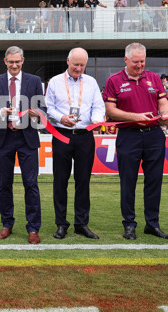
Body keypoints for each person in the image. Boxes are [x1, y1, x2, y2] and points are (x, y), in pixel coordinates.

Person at [103, 42, 168, 241]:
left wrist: (166, 114)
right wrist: (136, 117)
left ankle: (152, 224)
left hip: (154, 136)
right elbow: (110, 111)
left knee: (154, 181)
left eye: (142, 61)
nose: (140, 65)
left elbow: (163, 103)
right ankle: (129, 224)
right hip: (128, 136)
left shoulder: (153, 78)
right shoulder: (113, 80)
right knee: (128, 181)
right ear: (126, 60)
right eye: (135, 62)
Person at [0, 46, 45, 244]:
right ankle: (7, 224)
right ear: (5, 61)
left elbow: (43, 107)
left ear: (23, 60)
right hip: (4, 138)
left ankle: (33, 228)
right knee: (5, 184)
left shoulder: (34, 81)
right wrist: (0, 111)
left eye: (17, 61)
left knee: (31, 184)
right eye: (10, 62)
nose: (14, 65)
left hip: (27, 138)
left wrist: (37, 113)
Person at [45, 48, 105, 240]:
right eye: (75, 64)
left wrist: (96, 120)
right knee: (60, 181)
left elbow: (98, 106)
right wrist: (61, 118)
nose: (78, 68)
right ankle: (61, 224)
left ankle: (81, 224)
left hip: (85, 136)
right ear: (67, 61)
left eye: (82, 65)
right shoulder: (55, 82)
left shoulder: (92, 82)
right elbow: (49, 107)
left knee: (83, 181)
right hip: (62, 135)